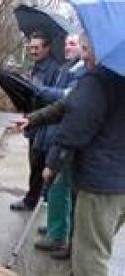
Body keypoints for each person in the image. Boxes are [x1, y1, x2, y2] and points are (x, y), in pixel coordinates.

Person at [15, 33, 125, 276]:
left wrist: (52, 164)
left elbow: (74, 128)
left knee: (91, 259)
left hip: (101, 185)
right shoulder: (115, 77)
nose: (83, 56)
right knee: (92, 245)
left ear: (103, 48)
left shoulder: (98, 79)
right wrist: (33, 119)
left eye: (86, 49)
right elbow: (68, 104)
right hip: (118, 184)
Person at [30, 34, 84, 260]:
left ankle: (58, 235)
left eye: (73, 44)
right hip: (55, 132)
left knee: (61, 188)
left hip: (65, 138)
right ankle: (56, 228)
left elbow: (65, 99)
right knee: (55, 187)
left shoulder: (81, 73)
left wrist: (40, 90)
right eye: (66, 43)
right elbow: (61, 100)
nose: (67, 47)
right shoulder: (68, 67)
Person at [10, 31, 60, 211]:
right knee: (34, 162)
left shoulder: (55, 69)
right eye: (30, 47)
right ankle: (33, 199)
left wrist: (34, 89)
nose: (32, 51)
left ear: (47, 48)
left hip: (46, 124)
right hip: (33, 121)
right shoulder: (35, 67)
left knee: (41, 164)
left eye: (36, 48)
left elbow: (55, 99)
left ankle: (36, 201)